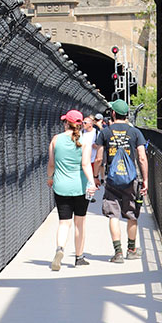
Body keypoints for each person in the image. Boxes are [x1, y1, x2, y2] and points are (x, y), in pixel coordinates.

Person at [93, 99, 148, 263]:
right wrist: (145, 180)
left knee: (113, 215)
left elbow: (98, 159)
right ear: (127, 115)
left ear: (113, 113)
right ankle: (131, 250)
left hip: (112, 179)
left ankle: (118, 253)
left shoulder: (105, 132)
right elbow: (142, 158)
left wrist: (96, 177)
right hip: (131, 179)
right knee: (131, 214)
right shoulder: (135, 132)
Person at [46, 109, 96, 270]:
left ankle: (60, 249)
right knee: (79, 223)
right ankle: (79, 257)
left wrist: (49, 177)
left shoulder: (56, 140)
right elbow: (86, 164)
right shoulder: (84, 142)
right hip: (80, 187)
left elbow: (51, 163)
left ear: (67, 123)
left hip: (61, 186)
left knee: (63, 223)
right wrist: (91, 182)